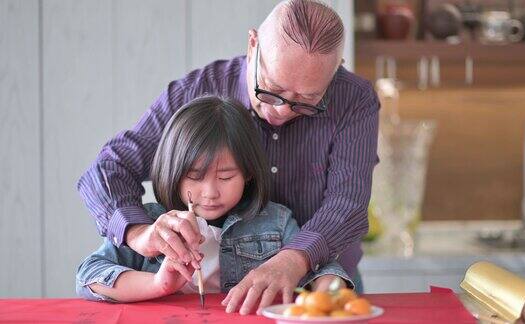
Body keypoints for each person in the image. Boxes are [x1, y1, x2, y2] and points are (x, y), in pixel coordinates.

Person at [77, 0, 379, 315]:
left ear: (335, 69)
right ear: (253, 45)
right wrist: (140, 234)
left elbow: (347, 203)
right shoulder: (197, 93)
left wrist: (296, 258)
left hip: (317, 287)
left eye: (307, 101)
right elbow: (109, 168)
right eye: (272, 90)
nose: (282, 110)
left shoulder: (354, 100)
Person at [76, 96, 351, 303]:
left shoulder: (275, 222)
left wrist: (326, 292)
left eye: (226, 176)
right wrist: (158, 284)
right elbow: (89, 276)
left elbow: (324, 270)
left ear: (249, 173)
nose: (210, 192)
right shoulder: (153, 224)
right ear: (173, 172)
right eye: (195, 176)